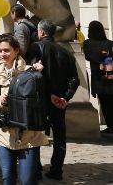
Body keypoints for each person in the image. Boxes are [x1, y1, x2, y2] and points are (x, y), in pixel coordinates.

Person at [0, 33, 48, 185]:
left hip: (28, 135)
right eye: (0, 50)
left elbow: (41, 98)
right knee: (7, 178)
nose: (3, 54)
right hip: (4, 133)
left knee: (27, 180)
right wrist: (0, 101)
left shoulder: (30, 71)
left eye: (7, 50)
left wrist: (39, 74)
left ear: (16, 50)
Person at [27, 20, 80, 181]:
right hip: (58, 100)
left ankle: (35, 168)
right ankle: (57, 169)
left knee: (34, 133)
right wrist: (65, 97)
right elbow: (75, 79)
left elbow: (32, 74)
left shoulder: (35, 47)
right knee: (59, 136)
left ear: (41, 32)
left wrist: (52, 95)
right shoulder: (66, 52)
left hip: (40, 99)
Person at [83, 20, 113, 134]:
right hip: (110, 75)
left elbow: (87, 57)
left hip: (98, 77)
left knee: (104, 103)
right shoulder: (110, 43)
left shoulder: (87, 44)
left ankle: (110, 125)